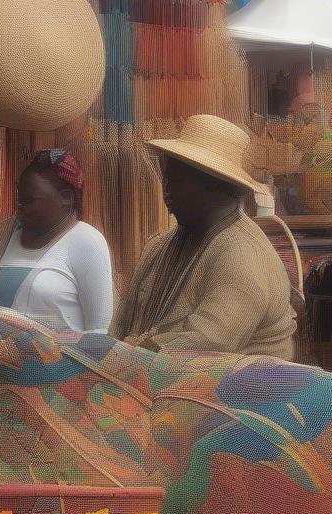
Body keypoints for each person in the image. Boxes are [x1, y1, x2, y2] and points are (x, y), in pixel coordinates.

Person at [112, 115, 297, 359]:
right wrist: (110, 353)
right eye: (164, 179)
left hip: (234, 393)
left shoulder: (243, 260)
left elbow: (205, 344)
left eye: (176, 181)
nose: (165, 190)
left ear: (214, 186)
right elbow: (121, 324)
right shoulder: (159, 246)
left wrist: (123, 356)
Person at [0, 149, 113, 333]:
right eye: (19, 201)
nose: (21, 209)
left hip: (61, 361)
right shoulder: (7, 235)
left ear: (66, 198)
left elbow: (98, 331)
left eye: (30, 201)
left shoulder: (86, 241)